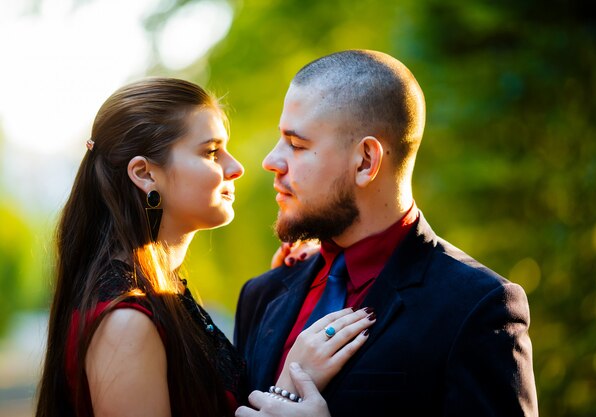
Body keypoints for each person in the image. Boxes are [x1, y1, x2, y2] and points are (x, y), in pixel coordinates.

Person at [35, 77, 374, 417]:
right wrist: (289, 386)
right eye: (211, 152)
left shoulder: (161, 292)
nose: (236, 168)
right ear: (145, 174)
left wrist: (284, 295)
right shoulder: (126, 322)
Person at [234, 50, 539, 416]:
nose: (271, 161)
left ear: (366, 161)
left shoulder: (478, 306)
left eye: (297, 145)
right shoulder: (262, 295)